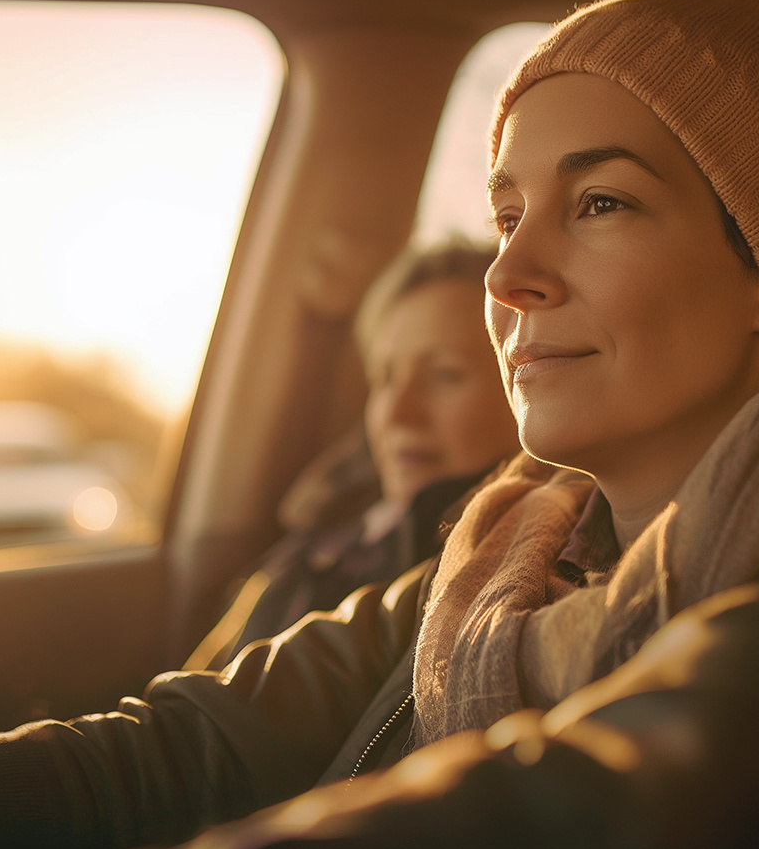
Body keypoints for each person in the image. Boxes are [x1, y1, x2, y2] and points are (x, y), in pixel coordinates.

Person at [0, 0, 759, 849]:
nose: (507, 272)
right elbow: (179, 752)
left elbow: (596, 815)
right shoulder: (509, 549)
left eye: (599, 202)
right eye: (508, 212)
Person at [185, 243, 520, 669]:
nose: (398, 415)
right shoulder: (319, 529)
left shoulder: (494, 582)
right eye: (383, 378)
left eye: (444, 373)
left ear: (521, 388)